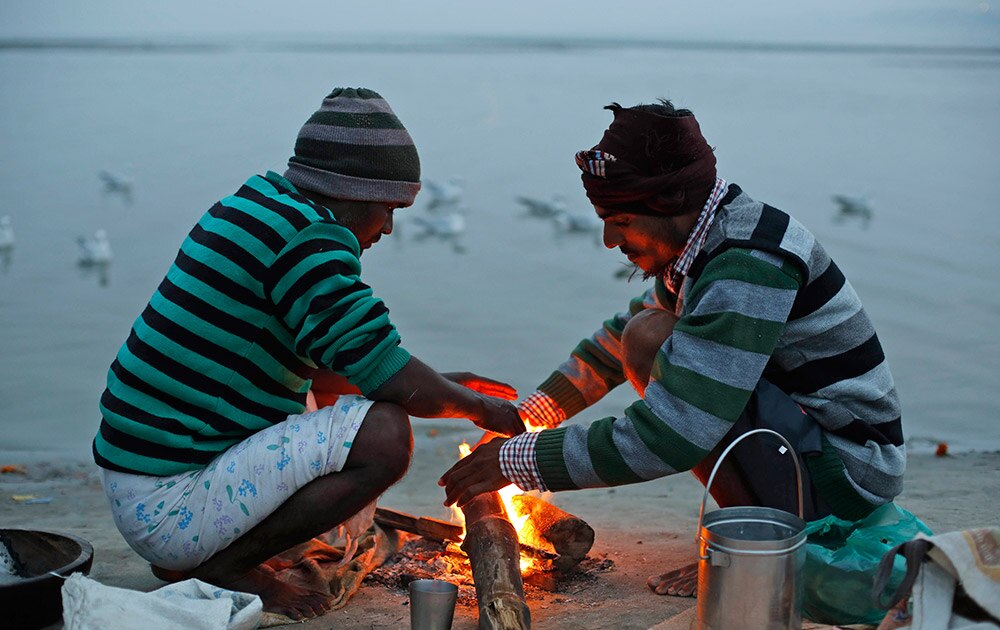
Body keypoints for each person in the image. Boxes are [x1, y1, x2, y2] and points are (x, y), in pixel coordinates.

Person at [440, 98, 904, 598]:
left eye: (619, 218)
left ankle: (752, 550)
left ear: (666, 204)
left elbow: (672, 434)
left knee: (654, 342)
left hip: (845, 472)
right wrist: (527, 417)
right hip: (807, 449)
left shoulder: (748, 262)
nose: (608, 238)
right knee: (643, 330)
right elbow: (614, 341)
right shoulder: (704, 242)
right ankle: (746, 538)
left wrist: (519, 461)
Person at [93, 87, 525, 620]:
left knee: (327, 397)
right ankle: (227, 566)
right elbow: (386, 376)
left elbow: (337, 362)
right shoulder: (309, 238)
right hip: (168, 502)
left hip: (140, 485)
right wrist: (482, 410)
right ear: (350, 192)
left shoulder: (260, 206)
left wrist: (446, 383)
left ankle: (198, 553)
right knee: (384, 434)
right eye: (388, 208)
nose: (388, 228)